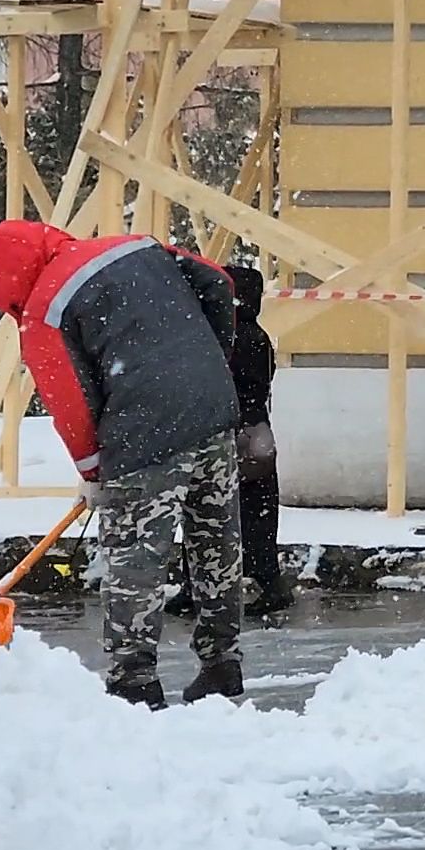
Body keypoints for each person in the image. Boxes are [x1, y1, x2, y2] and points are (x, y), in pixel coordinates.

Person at [0, 220, 247, 709]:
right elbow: (218, 281)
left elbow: (69, 401)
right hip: (212, 408)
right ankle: (222, 664)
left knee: (135, 558)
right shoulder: (137, 246)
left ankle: (134, 682)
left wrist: (93, 470)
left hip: (145, 430)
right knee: (216, 541)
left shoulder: (46, 308)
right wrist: (211, 359)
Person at [164, 255, 293, 624]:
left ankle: (197, 587)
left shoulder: (221, 335)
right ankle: (266, 581)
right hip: (257, 434)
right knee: (256, 513)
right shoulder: (260, 337)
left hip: (223, 433)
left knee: (205, 511)